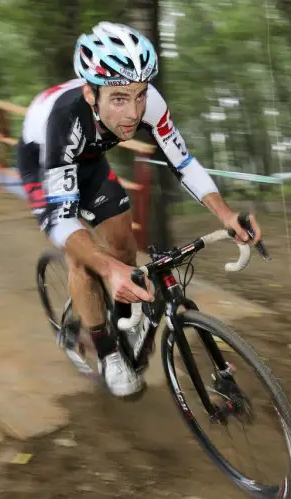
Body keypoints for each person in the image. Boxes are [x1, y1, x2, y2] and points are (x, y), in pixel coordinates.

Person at [17, 21, 262, 397]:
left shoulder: (148, 104)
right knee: (87, 259)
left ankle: (118, 307)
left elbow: (184, 163)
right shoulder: (64, 120)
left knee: (124, 247)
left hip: (90, 157)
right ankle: (107, 352)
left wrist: (226, 215)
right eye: (119, 99)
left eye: (140, 95)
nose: (133, 112)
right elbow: (61, 220)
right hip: (44, 157)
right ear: (90, 93)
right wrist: (107, 268)